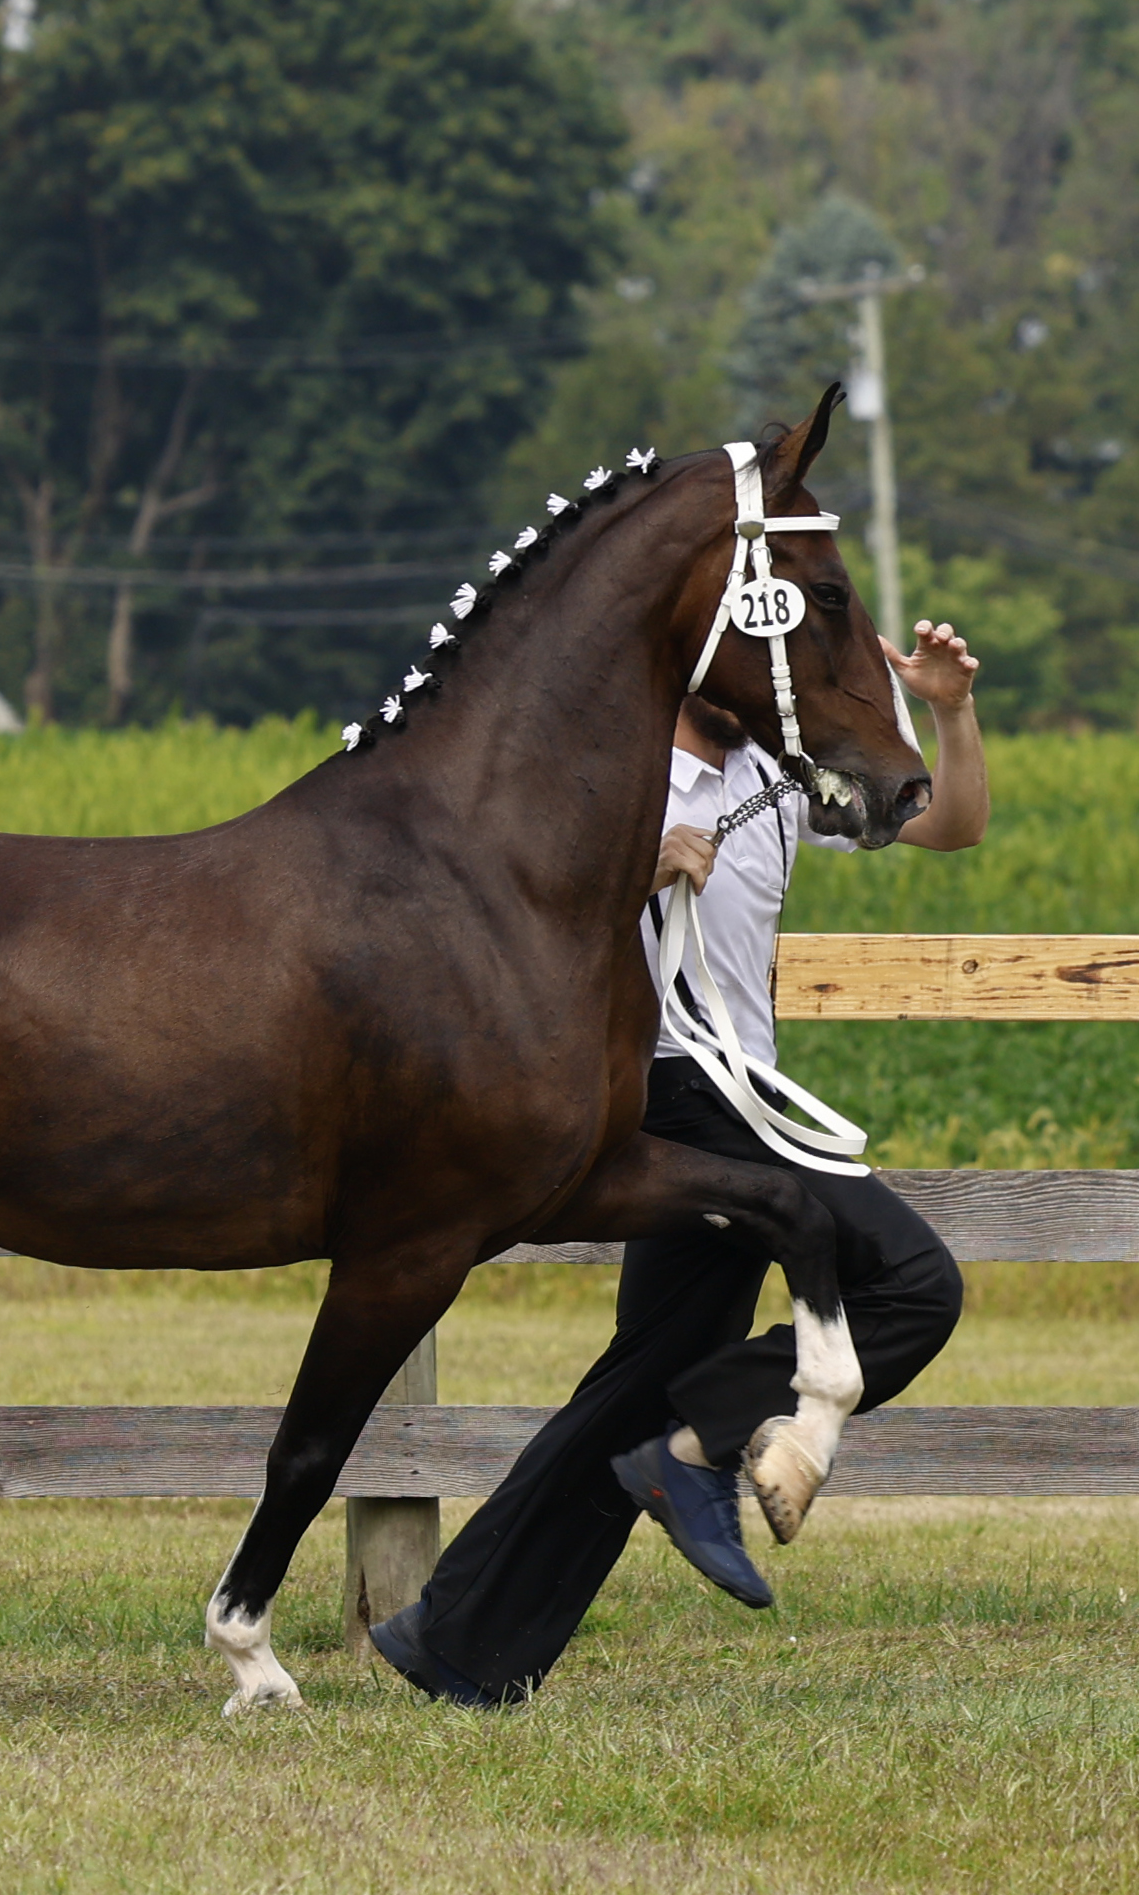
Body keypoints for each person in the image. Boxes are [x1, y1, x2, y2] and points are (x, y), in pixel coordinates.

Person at [370, 618, 990, 1706]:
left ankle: (455, 1643)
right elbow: (484, 914)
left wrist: (948, 708)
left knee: (638, 1383)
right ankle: (699, 1442)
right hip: (665, 1088)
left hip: (737, 1087)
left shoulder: (777, 770)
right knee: (914, 1284)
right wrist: (633, 865)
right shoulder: (604, 770)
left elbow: (950, 827)